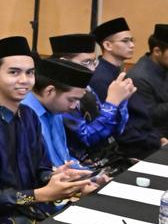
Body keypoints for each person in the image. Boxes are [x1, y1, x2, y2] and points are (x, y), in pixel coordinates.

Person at [0, 36, 97, 224]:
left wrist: (57, 178)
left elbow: (41, 168)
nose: (24, 80)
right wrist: (40, 194)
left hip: (38, 209)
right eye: (14, 72)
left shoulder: (29, 116)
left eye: (30, 73)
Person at [49, 33, 134, 168]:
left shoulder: (87, 87)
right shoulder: (58, 92)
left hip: (106, 157)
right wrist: (112, 104)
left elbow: (116, 131)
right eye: (86, 62)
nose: (93, 69)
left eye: (94, 62)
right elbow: (87, 139)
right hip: (81, 165)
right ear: (64, 62)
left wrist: (121, 102)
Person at [23, 57, 101, 168]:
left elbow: (64, 159)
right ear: (50, 91)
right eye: (72, 100)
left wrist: (90, 174)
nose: (74, 106)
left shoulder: (55, 112)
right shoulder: (23, 117)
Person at [124, 24, 168, 150]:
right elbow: (149, 115)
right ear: (157, 51)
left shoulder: (164, 65)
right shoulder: (139, 77)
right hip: (155, 139)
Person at [89, 17, 135, 102]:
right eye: (125, 41)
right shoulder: (99, 78)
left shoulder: (117, 70)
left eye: (132, 40)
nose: (132, 45)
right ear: (107, 45)